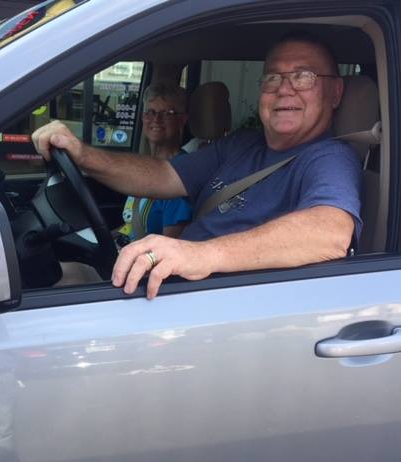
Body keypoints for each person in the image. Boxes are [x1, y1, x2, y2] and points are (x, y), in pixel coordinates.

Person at [32, 32, 362, 299]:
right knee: (55, 275)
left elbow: (330, 233)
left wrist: (200, 254)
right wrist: (82, 154)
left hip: (212, 307)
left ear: (334, 92)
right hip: (171, 288)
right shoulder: (243, 143)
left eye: (303, 76)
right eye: (273, 78)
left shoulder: (328, 157)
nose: (284, 89)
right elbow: (163, 175)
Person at [118, 83, 192, 241]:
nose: (156, 119)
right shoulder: (145, 165)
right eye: (150, 112)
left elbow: (171, 249)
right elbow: (130, 227)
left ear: (182, 120)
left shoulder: (180, 177)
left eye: (167, 113)